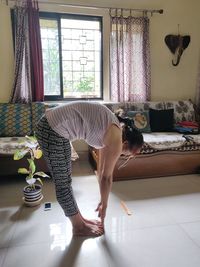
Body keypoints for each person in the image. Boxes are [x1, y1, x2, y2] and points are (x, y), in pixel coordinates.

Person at [35, 101, 143, 237]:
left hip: (52, 127)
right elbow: (107, 178)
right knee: (63, 184)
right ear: (126, 143)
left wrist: (102, 200)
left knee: (66, 182)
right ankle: (78, 227)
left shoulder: (112, 130)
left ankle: (81, 220)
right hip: (52, 129)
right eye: (128, 153)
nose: (125, 155)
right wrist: (105, 205)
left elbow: (101, 172)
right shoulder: (116, 139)